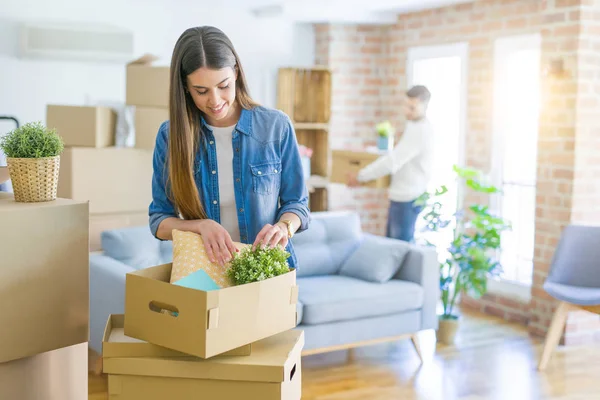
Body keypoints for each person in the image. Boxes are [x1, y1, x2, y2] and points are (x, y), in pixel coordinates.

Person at [149, 26, 310, 269]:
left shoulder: (275, 127)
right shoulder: (170, 136)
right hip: (203, 273)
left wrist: (284, 227)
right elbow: (159, 221)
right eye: (201, 91)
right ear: (184, 87)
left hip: (267, 271)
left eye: (223, 86)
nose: (214, 101)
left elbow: (297, 204)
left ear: (235, 73)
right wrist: (200, 226)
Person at [347, 85, 434, 243]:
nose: (406, 111)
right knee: (393, 247)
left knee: (397, 250)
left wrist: (360, 176)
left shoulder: (420, 131)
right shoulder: (414, 126)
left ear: (425, 105)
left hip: (408, 199)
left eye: (412, 107)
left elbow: (393, 161)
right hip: (405, 197)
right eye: (405, 105)